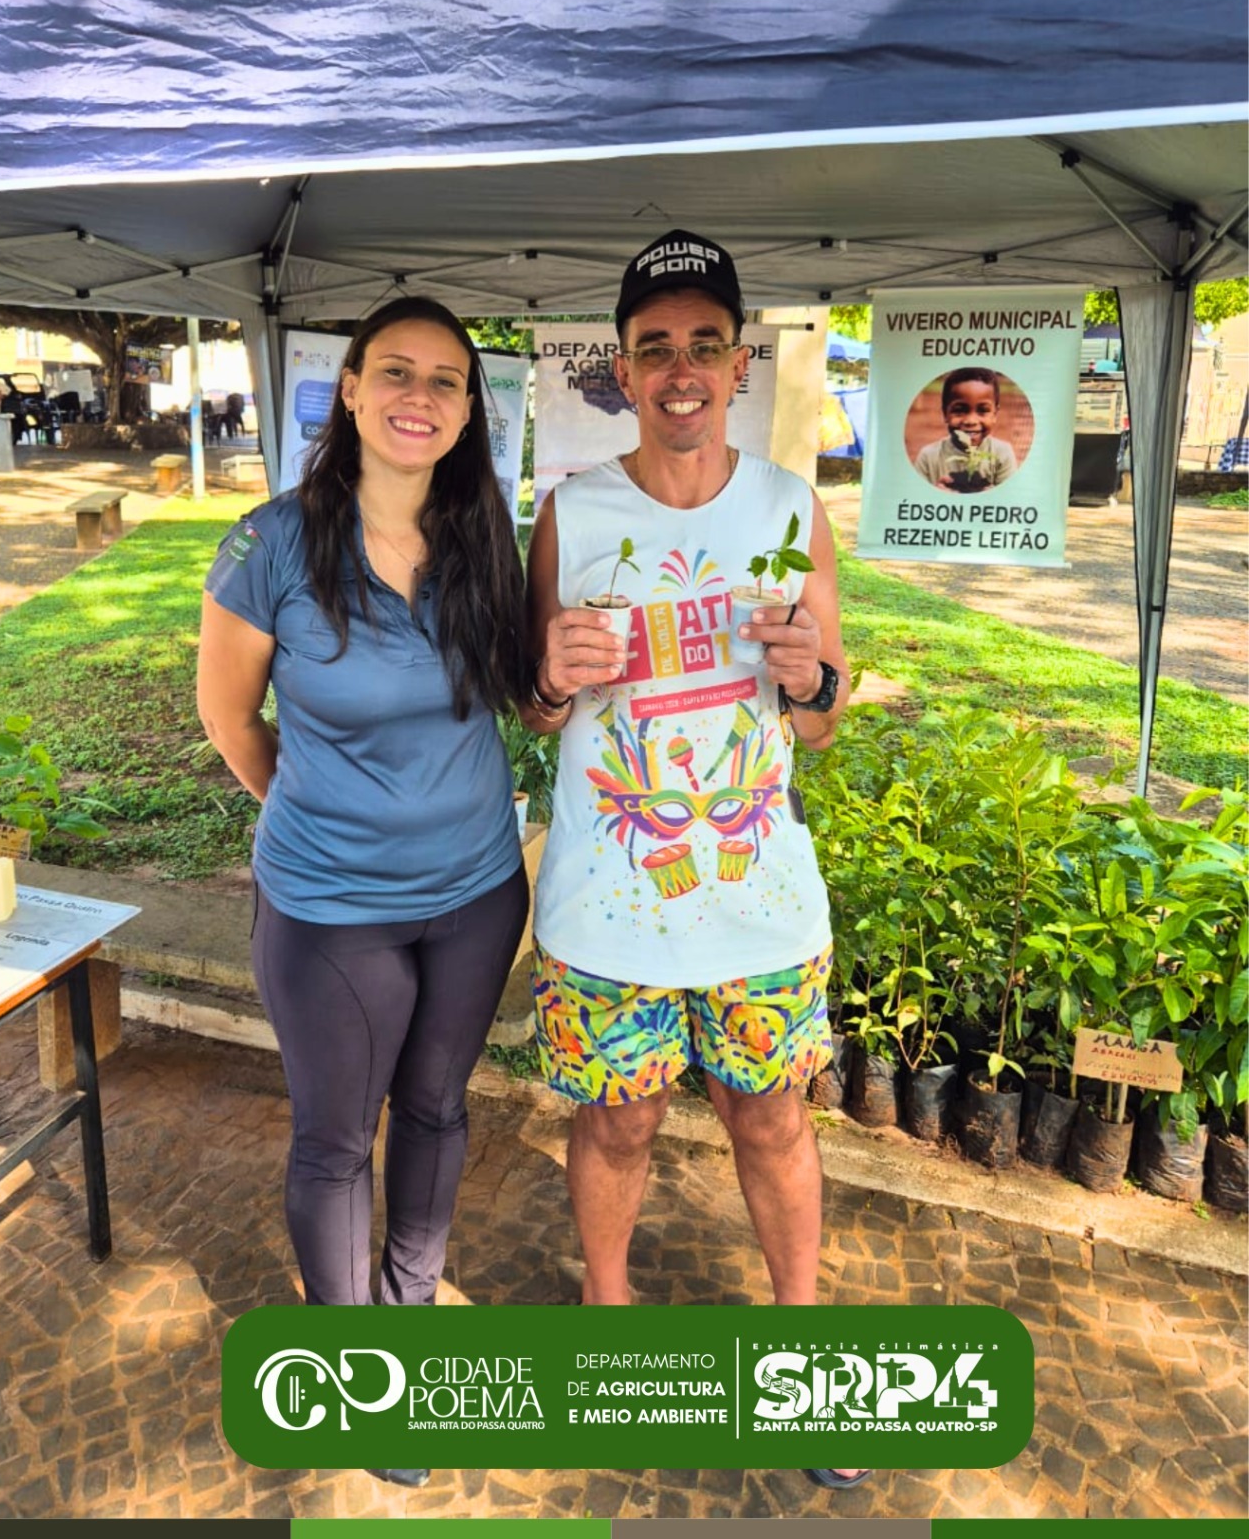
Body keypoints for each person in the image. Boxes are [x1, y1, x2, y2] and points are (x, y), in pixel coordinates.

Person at [523, 229, 869, 1492]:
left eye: (703, 346)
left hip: (759, 903)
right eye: (654, 347)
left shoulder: (788, 509)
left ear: (736, 366)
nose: (680, 370)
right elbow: (536, 704)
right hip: (609, 903)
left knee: (769, 1121)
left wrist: (812, 679)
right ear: (621, 369)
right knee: (615, 1123)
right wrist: (549, 680)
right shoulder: (570, 512)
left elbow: (821, 717)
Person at [197, 295, 530, 1490]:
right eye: (395, 371)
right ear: (348, 388)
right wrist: (321, 813)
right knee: (337, 1142)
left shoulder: (485, 533)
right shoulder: (272, 544)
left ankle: (406, 1308)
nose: (418, 397)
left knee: (435, 1110)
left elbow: (521, 691)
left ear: (468, 409)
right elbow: (230, 718)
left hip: (477, 891)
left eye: (445, 380)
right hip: (331, 910)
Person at [913, 367, 1018, 492]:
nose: (971, 421)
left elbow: (1010, 497)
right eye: (959, 410)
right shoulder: (928, 457)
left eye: (983, 410)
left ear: (995, 414)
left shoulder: (1002, 454)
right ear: (945, 413)